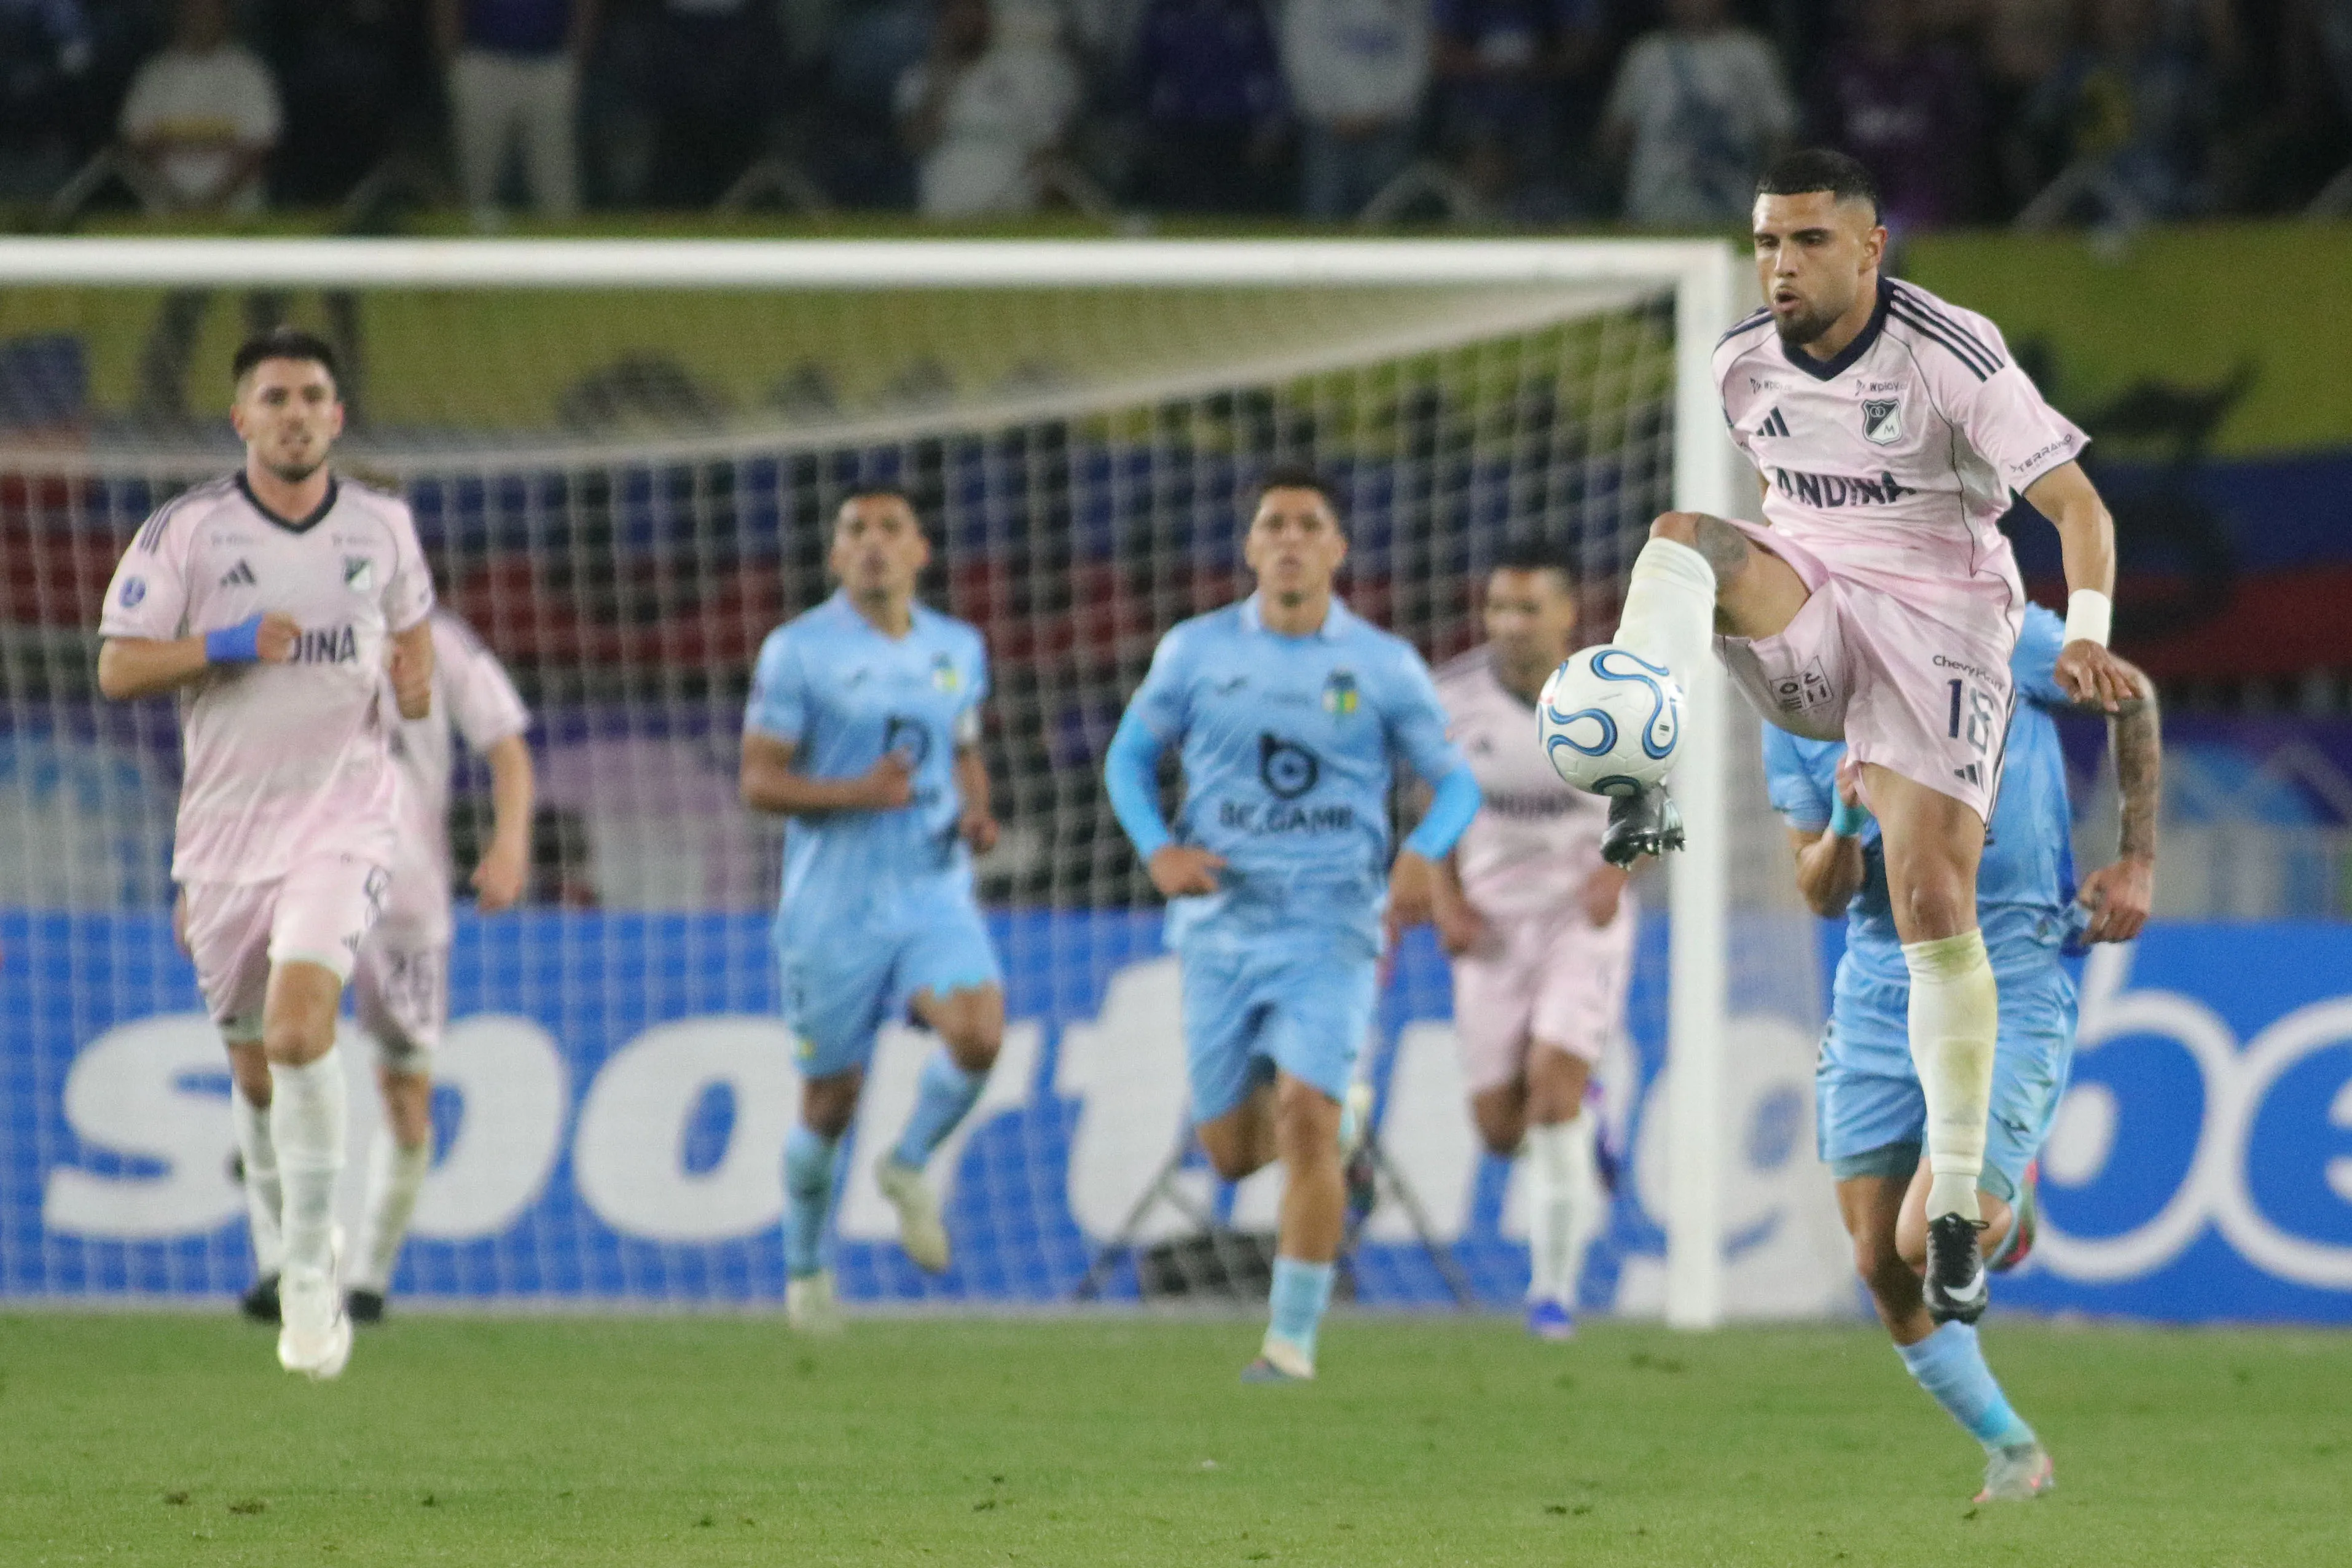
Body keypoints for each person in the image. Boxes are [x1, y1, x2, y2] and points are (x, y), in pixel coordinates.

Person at [1585, 149, 2139, 1327]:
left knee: (1932, 896)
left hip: (1943, 631)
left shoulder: (1952, 353)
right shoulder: (1739, 366)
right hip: (1819, 611)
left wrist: (2083, 630)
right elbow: (1789, 509)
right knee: (1684, 535)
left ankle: (1953, 1210)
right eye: (1767, 243)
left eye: (1808, 241)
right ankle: (1639, 770)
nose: (1781, 265)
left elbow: (2078, 507)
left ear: (1870, 246)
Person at [97, 327, 436, 1379]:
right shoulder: (186, 533)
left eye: (314, 396)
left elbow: (410, 624)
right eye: (275, 396)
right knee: (252, 1068)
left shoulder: (383, 527)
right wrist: (224, 646)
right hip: (226, 838)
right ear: (241, 418)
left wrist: (414, 677)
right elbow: (117, 669)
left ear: (337, 418)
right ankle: (287, 1236)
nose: (295, 412)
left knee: (300, 1032)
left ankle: (305, 1278)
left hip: (344, 819)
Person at [1766, 601, 2161, 1500]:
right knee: (1878, 1260)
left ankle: (2007, 1210)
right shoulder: (1787, 700)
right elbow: (1820, 891)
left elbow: (2130, 695)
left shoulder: (1979, 625)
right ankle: (2016, 1449)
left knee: (1925, 1236)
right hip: (1877, 994)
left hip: (2012, 972)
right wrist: (1840, 821)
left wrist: (2137, 858)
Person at [1103, 466, 1482, 1382]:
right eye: (1274, 523)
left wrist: (1422, 851)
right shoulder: (1195, 653)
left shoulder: (1383, 665)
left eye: (1309, 525)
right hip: (1221, 926)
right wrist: (1157, 848)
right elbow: (1128, 757)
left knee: (1306, 1121)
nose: (1290, 539)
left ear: (1337, 550)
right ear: (1249, 547)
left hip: (1333, 926)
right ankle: (1332, 1121)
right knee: (1231, 1156)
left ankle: (1291, 1343)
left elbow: (1458, 782)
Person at [740, 488, 1005, 1332]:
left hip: (932, 887)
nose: (874, 544)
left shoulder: (958, 648)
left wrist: (976, 810)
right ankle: (807, 1272)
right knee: (829, 1102)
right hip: (833, 907)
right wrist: (858, 792)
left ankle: (909, 1161)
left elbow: (962, 749)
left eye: (891, 528)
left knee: (979, 1032)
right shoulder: (798, 654)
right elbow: (759, 780)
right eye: (856, 530)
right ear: (835, 555)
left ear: (920, 550)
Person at [1425, 541, 1633, 1339]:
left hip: (1581, 920)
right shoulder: (1452, 699)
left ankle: (1553, 1296)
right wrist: (1444, 896)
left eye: (1529, 609)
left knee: (1551, 1097)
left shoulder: (1615, 697)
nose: (1511, 624)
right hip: (1491, 927)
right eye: (1499, 609)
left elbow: (1650, 807)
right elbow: (1433, 803)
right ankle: (1596, 1109)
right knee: (1500, 1129)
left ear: (1566, 613)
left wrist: (1617, 874)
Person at [342, 608, 535, 1323]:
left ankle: (367, 1279)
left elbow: (507, 745)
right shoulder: (284, 626)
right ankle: (282, 1202)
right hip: (299, 861)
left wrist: (510, 843)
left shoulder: (442, 640)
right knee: (277, 1027)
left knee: (403, 1089)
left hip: (406, 893)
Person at [1599, 0, 1794, 226]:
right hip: (1653, 216)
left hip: (1735, 216)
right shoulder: (1646, 55)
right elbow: (1615, 140)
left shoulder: (1752, 54)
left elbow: (1780, 139)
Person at [895, 0, 1079, 218]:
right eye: (958, 12)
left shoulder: (1024, 78)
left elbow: (1046, 153)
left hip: (1009, 217)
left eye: (974, 11)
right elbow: (916, 140)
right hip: (944, 216)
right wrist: (943, 75)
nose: (967, 20)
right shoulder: (918, 80)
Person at [434, 0, 593, 224]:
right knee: (475, 189)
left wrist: (577, 54)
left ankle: (562, 258)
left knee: (557, 194)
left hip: (551, 62)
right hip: (483, 60)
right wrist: (453, 61)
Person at [117, 0, 280, 215]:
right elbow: (136, 147)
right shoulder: (152, 75)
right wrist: (177, 202)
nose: (200, 16)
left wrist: (212, 205)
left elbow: (258, 152)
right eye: (192, 8)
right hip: (165, 220)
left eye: (209, 9)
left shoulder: (251, 73)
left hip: (237, 220)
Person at [1279, 0, 1429, 221]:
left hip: (1390, 127)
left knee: (1387, 220)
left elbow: (1419, 54)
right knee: (1323, 217)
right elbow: (1298, 54)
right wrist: (1328, 111)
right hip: (1328, 127)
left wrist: (1386, 111)